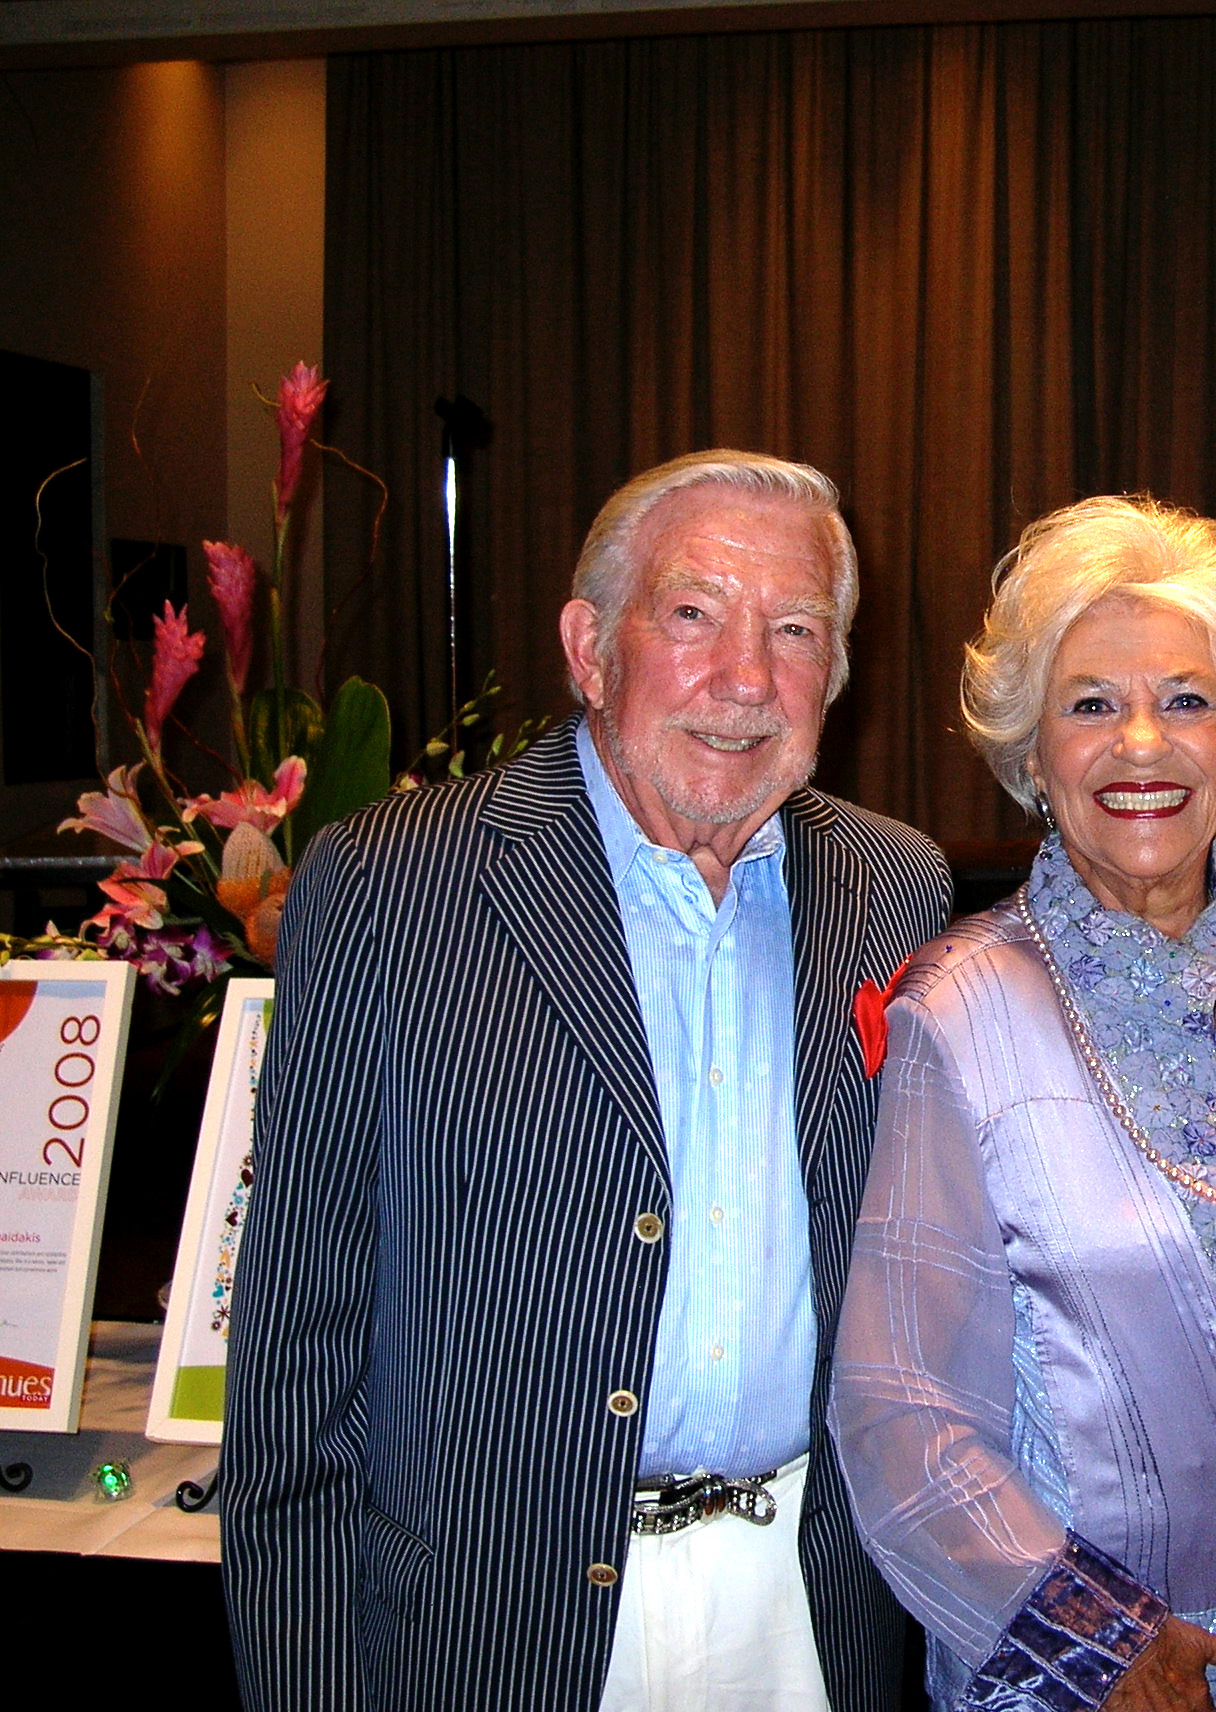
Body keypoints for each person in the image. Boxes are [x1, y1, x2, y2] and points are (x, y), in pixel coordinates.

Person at [222, 451, 952, 1712]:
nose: (744, 678)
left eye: (794, 629)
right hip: (495, 1619)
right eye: (692, 613)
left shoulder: (896, 888)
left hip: (811, 1608)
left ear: (835, 673)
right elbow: (295, 1351)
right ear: (588, 643)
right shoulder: (395, 885)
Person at [832, 496, 1216, 1712]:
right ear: (1031, 755)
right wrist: (1093, 1644)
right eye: (1089, 704)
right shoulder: (960, 1011)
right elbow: (900, 1410)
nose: (1142, 741)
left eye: (1187, 699)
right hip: (1091, 1678)